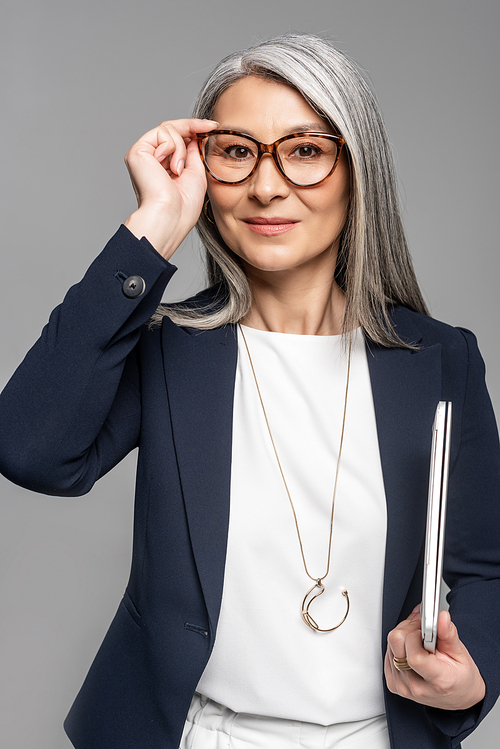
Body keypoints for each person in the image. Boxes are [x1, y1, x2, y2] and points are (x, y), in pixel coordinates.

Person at [0, 32, 498, 749]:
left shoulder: (439, 357)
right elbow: (29, 448)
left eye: (304, 149)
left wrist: (476, 669)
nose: (267, 186)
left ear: (357, 172)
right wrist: (152, 229)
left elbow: (488, 566)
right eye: (236, 152)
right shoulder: (170, 347)